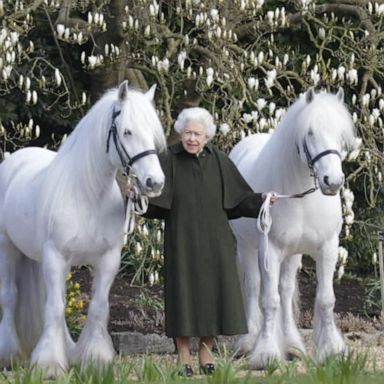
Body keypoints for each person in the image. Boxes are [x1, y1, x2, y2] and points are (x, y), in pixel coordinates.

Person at [142, 107, 277, 377]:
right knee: (183, 297)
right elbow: (154, 203)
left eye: (198, 134)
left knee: (214, 296)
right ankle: (183, 356)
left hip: (216, 242)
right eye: (188, 132)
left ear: (207, 137)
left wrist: (262, 199)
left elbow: (239, 200)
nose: (192, 138)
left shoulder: (220, 161)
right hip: (181, 240)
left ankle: (206, 352)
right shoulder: (167, 159)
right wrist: (136, 198)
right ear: (181, 132)